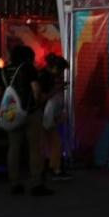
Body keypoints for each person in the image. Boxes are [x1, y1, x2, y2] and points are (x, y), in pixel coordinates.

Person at [0, 45, 54, 196]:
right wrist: (37, 103)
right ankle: (36, 183)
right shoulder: (27, 68)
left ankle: (15, 183)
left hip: (12, 115)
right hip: (29, 112)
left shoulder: (3, 71)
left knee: (14, 147)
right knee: (35, 148)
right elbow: (36, 90)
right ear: (28, 56)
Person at [38, 53, 71, 182]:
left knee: (47, 144)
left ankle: (48, 168)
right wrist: (57, 89)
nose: (61, 74)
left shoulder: (43, 75)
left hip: (43, 115)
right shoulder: (45, 78)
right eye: (61, 70)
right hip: (44, 116)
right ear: (55, 68)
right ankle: (55, 169)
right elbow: (42, 97)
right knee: (55, 143)